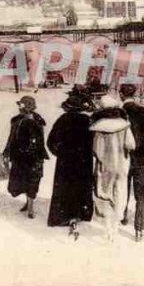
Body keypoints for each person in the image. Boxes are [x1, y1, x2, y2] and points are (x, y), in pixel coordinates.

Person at [47, 94, 95, 238]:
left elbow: (50, 142)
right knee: (81, 186)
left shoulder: (62, 120)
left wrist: (60, 153)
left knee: (64, 187)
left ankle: (62, 216)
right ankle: (81, 213)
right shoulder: (88, 121)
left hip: (66, 161)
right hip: (83, 161)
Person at [90, 95, 135, 242]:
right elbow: (131, 145)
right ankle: (116, 225)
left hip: (105, 166)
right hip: (121, 165)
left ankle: (108, 227)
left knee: (104, 194)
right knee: (120, 193)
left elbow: (96, 150)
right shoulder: (124, 125)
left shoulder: (99, 127)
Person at [4, 96, 48, 219]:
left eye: (21, 105)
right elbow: (11, 138)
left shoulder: (37, 121)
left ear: (28, 108)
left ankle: (31, 207)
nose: (19, 108)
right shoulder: (16, 120)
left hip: (34, 157)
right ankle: (27, 203)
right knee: (22, 180)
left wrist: (32, 151)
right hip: (19, 157)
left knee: (33, 181)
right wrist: (7, 152)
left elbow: (39, 141)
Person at [119, 83, 144, 242]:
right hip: (140, 157)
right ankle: (139, 229)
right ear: (134, 95)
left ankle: (123, 216)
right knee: (141, 193)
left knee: (122, 188)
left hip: (124, 156)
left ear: (121, 95)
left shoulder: (119, 112)